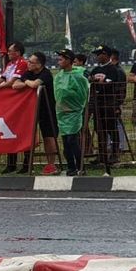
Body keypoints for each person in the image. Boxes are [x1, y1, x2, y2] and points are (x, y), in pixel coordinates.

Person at [0, 42, 29, 173]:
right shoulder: (9, 65)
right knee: (10, 131)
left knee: (24, 131)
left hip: (22, 102)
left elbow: (11, 83)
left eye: (10, 51)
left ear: (18, 53)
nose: (8, 53)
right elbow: (1, 81)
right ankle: (11, 164)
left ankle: (26, 164)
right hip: (10, 103)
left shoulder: (22, 63)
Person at [13, 52, 59, 175]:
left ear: (39, 64)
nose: (28, 64)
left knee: (49, 137)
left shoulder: (46, 74)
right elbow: (15, 85)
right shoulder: (29, 73)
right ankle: (28, 164)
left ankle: (51, 164)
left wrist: (27, 83)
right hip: (31, 109)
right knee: (29, 135)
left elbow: (35, 84)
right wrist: (27, 82)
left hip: (47, 109)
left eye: (31, 62)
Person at [54, 49, 90, 177]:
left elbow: (82, 92)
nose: (59, 61)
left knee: (72, 140)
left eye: (61, 59)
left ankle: (81, 166)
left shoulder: (79, 75)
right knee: (65, 142)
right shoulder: (59, 76)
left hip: (74, 112)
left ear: (69, 60)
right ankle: (71, 167)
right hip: (62, 112)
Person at [88, 45, 123, 165]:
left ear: (106, 55)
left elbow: (110, 84)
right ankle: (102, 154)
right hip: (97, 103)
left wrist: (98, 83)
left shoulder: (113, 69)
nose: (97, 56)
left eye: (100, 54)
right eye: (97, 54)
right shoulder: (96, 70)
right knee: (99, 129)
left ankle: (114, 154)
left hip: (109, 103)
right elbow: (90, 81)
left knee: (111, 129)